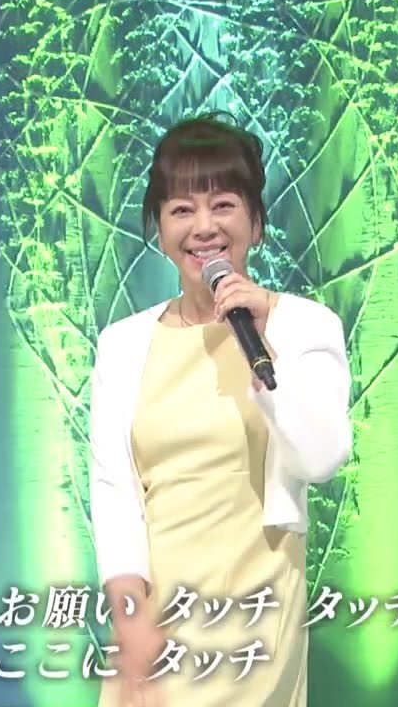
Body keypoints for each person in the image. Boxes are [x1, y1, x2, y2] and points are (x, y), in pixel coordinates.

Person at [88, 112, 353, 707]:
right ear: (159, 229)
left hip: (255, 611)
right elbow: (114, 491)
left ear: (255, 223)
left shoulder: (303, 324)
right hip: (155, 615)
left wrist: (266, 344)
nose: (203, 227)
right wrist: (132, 626)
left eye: (224, 206)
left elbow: (321, 458)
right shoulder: (122, 344)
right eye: (182, 209)